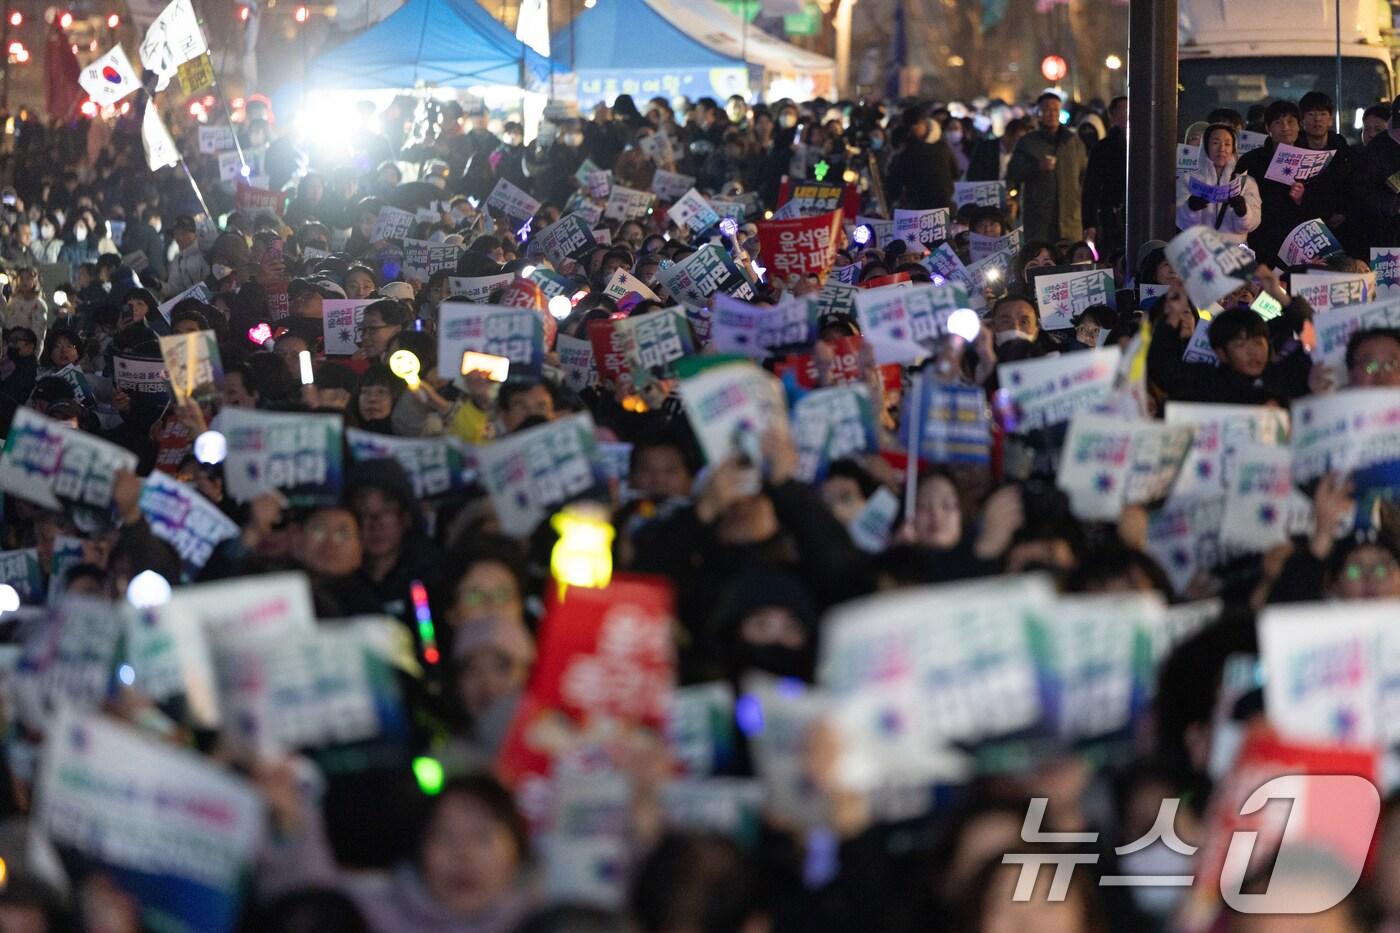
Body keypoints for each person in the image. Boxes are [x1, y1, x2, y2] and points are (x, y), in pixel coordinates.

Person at [1235, 99, 1311, 267]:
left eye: (1291, 122)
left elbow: (1323, 201)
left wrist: (1301, 199)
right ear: (1268, 129)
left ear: (1299, 126)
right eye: (1278, 123)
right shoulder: (1252, 160)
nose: (1285, 128)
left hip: (1298, 241)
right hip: (1261, 237)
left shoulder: (1312, 159)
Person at [1006, 92, 1088, 243]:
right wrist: (1037, 167)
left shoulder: (1073, 142)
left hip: (1070, 218)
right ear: (1039, 112)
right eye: (1047, 109)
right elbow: (1014, 172)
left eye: (1056, 109)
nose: (1052, 114)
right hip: (1039, 221)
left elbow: (1084, 175)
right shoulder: (1028, 142)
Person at [1175, 123, 1261, 242]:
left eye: (1227, 144)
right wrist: (1190, 207)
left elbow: (1252, 224)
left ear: (1233, 148)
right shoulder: (1188, 180)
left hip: (1233, 254)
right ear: (1205, 146)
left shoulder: (1246, 182)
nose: (1222, 149)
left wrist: (1242, 211)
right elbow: (1181, 222)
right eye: (1215, 143)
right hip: (1200, 251)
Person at [885, 110, 959, 211]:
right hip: (939, 209)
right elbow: (956, 174)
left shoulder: (906, 155)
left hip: (924, 210)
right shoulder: (942, 148)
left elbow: (893, 189)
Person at [1081, 96, 1127, 257]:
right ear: (1112, 116)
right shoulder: (1102, 148)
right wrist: (1090, 223)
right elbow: (1091, 188)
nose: (1126, 116)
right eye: (1122, 111)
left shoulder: (1147, 144)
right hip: (1111, 219)